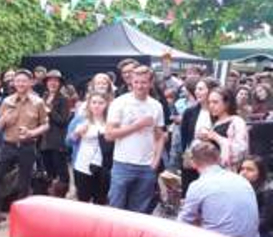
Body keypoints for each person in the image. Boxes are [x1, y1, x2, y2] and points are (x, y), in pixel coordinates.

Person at [0, 69, 48, 225]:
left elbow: (46, 125)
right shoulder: (6, 101)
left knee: (24, 185)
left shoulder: (38, 102)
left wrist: (32, 132)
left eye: (24, 80)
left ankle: (20, 219)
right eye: (17, 80)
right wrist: (3, 120)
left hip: (27, 146)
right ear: (13, 83)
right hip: (8, 146)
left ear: (31, 82)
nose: (20, 83)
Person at [105, 65, 165, 214]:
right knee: (116, 209)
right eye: (136, 82)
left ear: (150, 83)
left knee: (139, 212)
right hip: (122, 164)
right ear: (130, 82)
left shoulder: (156, 106)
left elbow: (160, 136)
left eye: (144, 82)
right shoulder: (119, 102)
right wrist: (137, 125)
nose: (140, 86)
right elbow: (109, 135)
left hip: (147, 167)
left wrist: (156, 161)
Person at [177, 142, 258, 237]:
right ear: (219, 159)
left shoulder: (199, 185)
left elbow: (183, 223)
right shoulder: (241, 180)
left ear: (193, 163)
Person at [69, 91, 112, 204]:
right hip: (82, 165)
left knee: (101, 200)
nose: (97, 105)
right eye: (94, 102)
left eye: (100, 103)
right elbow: (68, 141)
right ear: (89, 104)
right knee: (83, 200)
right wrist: (76, 134)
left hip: (104, 166)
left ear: (107, 104)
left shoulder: (111, 121)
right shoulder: (81, 119)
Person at [179, 77, 220, 195]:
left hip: (213, 162)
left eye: (201, 89)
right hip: (192, 159)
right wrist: (185, 155)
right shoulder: (190, 112)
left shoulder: (219, 113)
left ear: (211, 91)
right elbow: (184, 137)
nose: (197, 92)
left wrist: (210, 136)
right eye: (196, 89)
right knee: (189, 192)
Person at [199, 87, 248, 170]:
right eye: (209, 102)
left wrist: (217, 138)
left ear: (227, 103)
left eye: (215, 102)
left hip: (228, 171)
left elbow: (240, 150)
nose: (211, 106)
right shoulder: (215, 122)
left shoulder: (237, 122)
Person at [39, 69, 70, 197]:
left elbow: (63, 121)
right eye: (50, 81)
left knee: (61, 172)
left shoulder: (63, 99)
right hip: (44, 140)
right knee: (48, 171)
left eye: (56, 81)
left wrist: (50, 110)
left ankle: (61, 196)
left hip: (57, 141)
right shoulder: (44, 96)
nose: (53, 83)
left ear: (60, 83)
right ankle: (49, 195)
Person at [238, 156, 273, 237]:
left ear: (260, 173)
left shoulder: (268, 191)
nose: (244, 172)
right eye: (242, 169)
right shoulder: (241, 188)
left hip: (266, 233)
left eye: (250, 169)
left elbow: (265, 222)